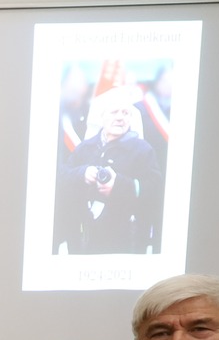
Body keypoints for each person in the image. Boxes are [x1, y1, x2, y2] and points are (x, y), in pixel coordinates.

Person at [59, 99, 161, 255]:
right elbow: (62, 178)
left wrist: (119, 185)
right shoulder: (85, 148)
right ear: (102, 117)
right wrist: (83, 173)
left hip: (127, 242)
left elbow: (156, 189)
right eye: (114, 112)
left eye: (126, 113)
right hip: (85, 240)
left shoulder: (143, 150)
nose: (120, 117)